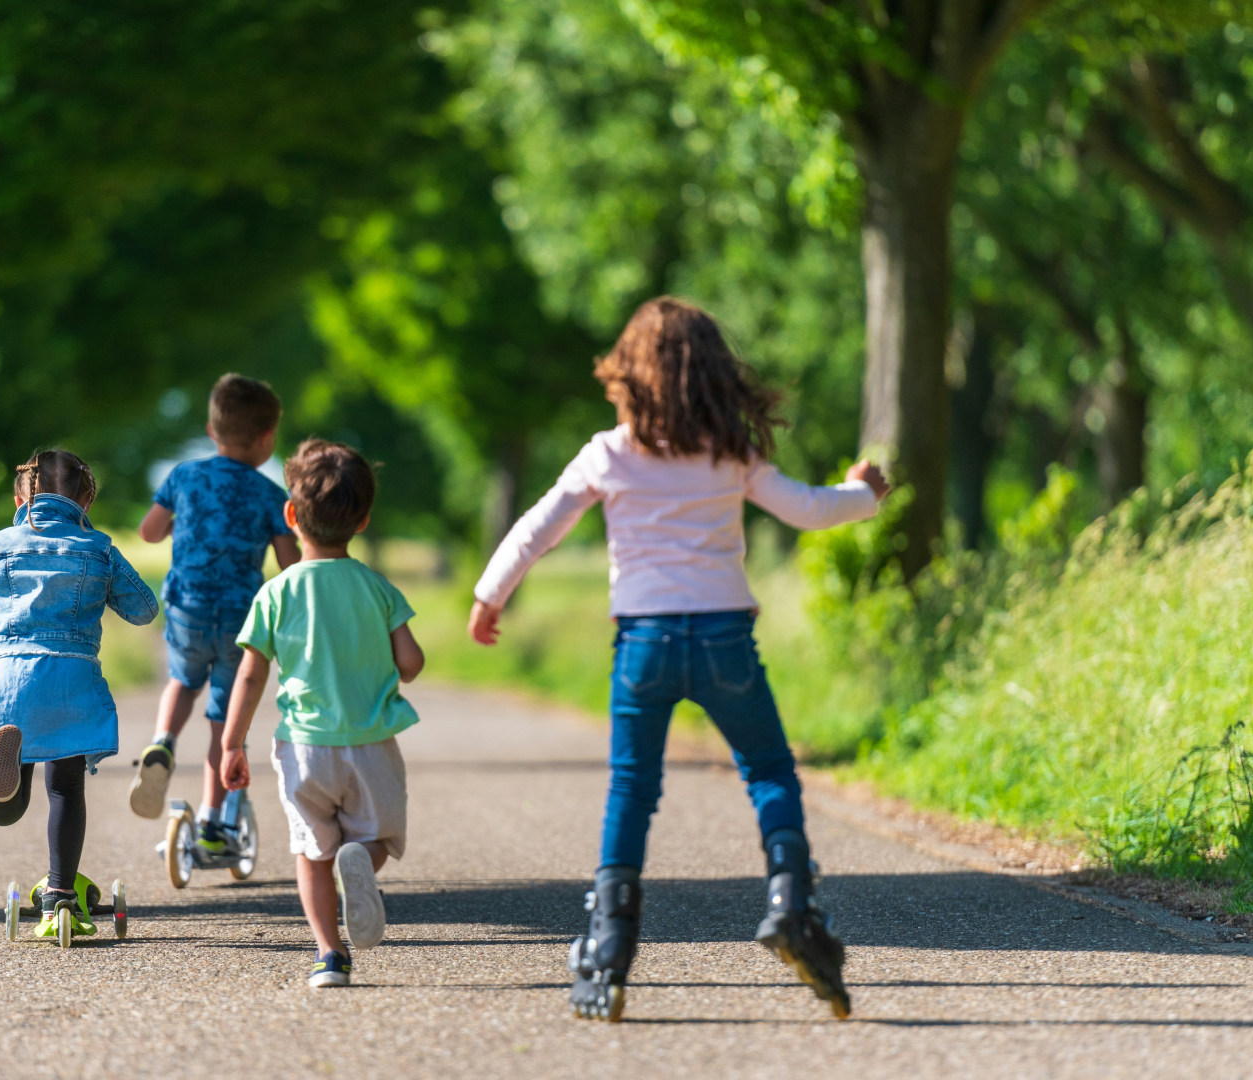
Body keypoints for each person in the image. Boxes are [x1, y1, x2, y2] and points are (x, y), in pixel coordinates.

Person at [467, 297, 889, 1022]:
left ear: (627, 374)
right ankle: (792, 901)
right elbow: (810, 509)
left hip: (644, 644)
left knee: (632, 789)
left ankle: (609, 943)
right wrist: (866, 493)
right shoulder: (731, 452)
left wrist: (489, 594)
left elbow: (540, 526)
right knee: (768, 772)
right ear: (714, 374)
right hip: (725, 638)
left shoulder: (608, 452)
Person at [219, 439, 424, 989]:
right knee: (375, 837)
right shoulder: (377, 587)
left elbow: (250, 674)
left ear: (291, 516)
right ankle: (361, 860)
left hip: (303, 747)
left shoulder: (275, 592)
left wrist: (231, 742)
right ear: (363, 519)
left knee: (311, 854)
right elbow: (410, 662)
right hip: (371, 743)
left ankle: (329, 956)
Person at [0, 449, 158, 939]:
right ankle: (61, 893)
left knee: (8, 808)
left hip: (9, 681)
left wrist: (3, 606)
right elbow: (145, 609)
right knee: (66, 788)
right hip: (70, 680)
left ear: (21, 496)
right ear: (86, 499)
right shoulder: (98, 548)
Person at [127, 374, 301, 846]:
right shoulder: (270, 495)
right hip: (242, 619)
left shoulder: (183, 476)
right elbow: (291, 567)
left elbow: (148, 531)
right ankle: (214, 823)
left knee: (183, 682)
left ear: (211, 428)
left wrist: (176, 526)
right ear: (267, 440)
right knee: (225, 724)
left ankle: (162, 741)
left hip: (188, 608)